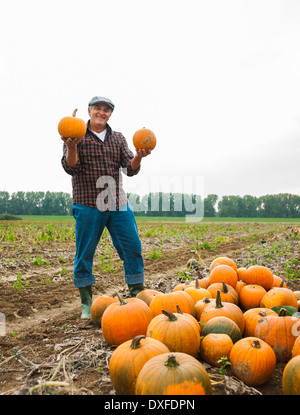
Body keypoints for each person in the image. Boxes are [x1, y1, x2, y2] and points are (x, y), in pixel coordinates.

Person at [61, 96, 151, 318]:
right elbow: (71, 167)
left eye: (106, 110)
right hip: (88, 202)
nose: (102, 112)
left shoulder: (118, 138)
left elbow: (130, 168)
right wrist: (71, 146)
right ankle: (86, 303)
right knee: (85, 254)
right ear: (89, 111)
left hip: (117, 203)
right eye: (98, 108)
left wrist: (139, 156)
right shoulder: (76, 134)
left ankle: (137, 293)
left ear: (110, 114)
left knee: (132, 248)